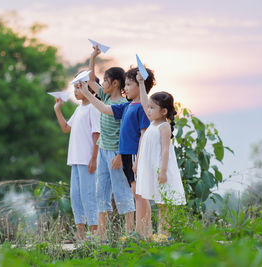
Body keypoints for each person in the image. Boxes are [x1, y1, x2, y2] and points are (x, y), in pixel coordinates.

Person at [86, 45, 135, 240]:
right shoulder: (105, 96)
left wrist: (120, 156)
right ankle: (102, 236)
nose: (102, 83)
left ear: (115, 83)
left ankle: (130, 233)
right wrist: (93, 56)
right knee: (101, 192)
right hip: (103, 150)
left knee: (122, 193)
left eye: (105, 80)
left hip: (116, 153)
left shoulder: (124, 105)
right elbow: (91, 81)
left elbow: (126, 133)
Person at [135, 71, 186, 238]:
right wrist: (141, 83)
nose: (148, 110)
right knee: (159, 202)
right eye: (149, 107)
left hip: (161, 170)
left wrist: (163, 171)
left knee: (164, 204)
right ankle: (162, 234)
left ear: (164, 111)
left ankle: (166, 234)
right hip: (154, 169)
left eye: (152, 108)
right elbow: (143, 103)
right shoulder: (153, 123)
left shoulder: (163, 126)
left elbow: (165, 149)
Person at [53, 78, 100, 241]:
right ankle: (80, 232)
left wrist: (94, 158)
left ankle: (94, 232)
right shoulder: (80, 109)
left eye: (79, 88)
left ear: (90, 88)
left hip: (87, 160)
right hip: (76, 160)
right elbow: (66, 128)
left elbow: (97, 134)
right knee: (76, 195)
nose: (75, 91)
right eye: (75, 88)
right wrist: (57, 109)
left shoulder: (94, 108)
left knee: (89, 195)